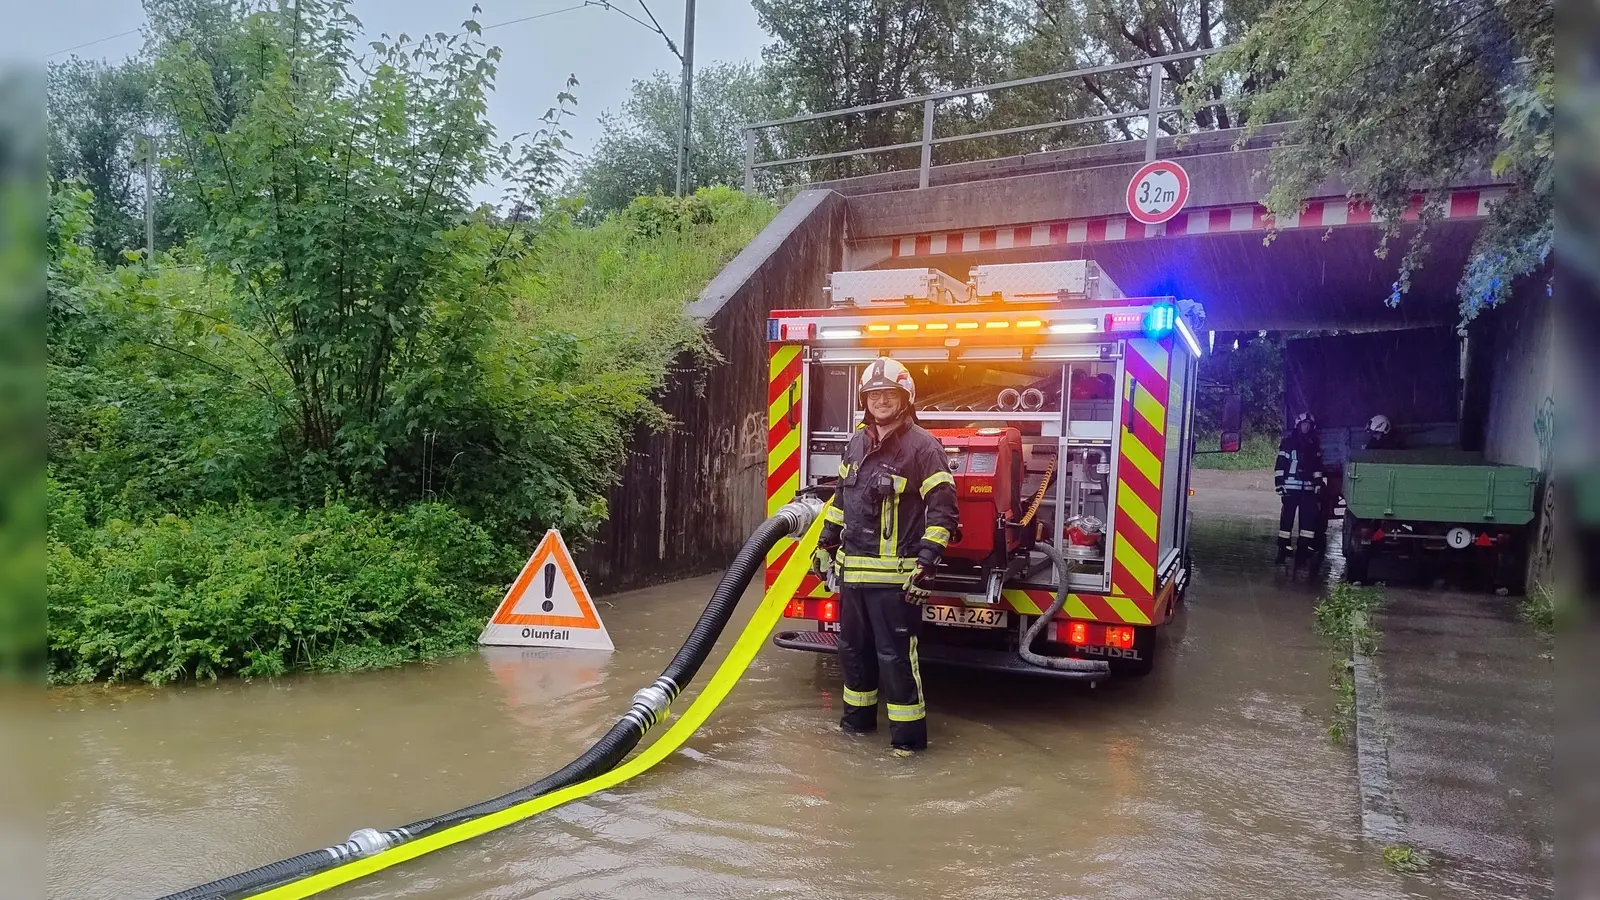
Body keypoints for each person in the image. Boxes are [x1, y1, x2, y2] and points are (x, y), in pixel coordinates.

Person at [811, 357, 959, 756]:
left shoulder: (923, 447)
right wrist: (826, 541)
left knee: (895, 659)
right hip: (854, 576)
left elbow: (943, 509)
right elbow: (842, 498)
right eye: (873, 394)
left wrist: (928, 561)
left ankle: (907, 745)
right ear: (864, 400)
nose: (880, 401)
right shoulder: (857, 442)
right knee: (852, 653)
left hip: (896, 581)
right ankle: (855, 730)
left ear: (905, 398)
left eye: (888, 394)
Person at [1274, 411, 1327, 566]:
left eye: (1308, 425)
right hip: (1290, 488)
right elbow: (1280, 464)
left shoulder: (1313, 444)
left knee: (1308, 524)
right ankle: (1283, 550)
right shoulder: (1288, 443)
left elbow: (1317, 467)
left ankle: (1302, 554)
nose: (1306, 427)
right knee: (1286, 522)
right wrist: (1279, 484)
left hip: (1308, 490)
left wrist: (1318, 484)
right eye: (1304, 424)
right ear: (1298, 425)